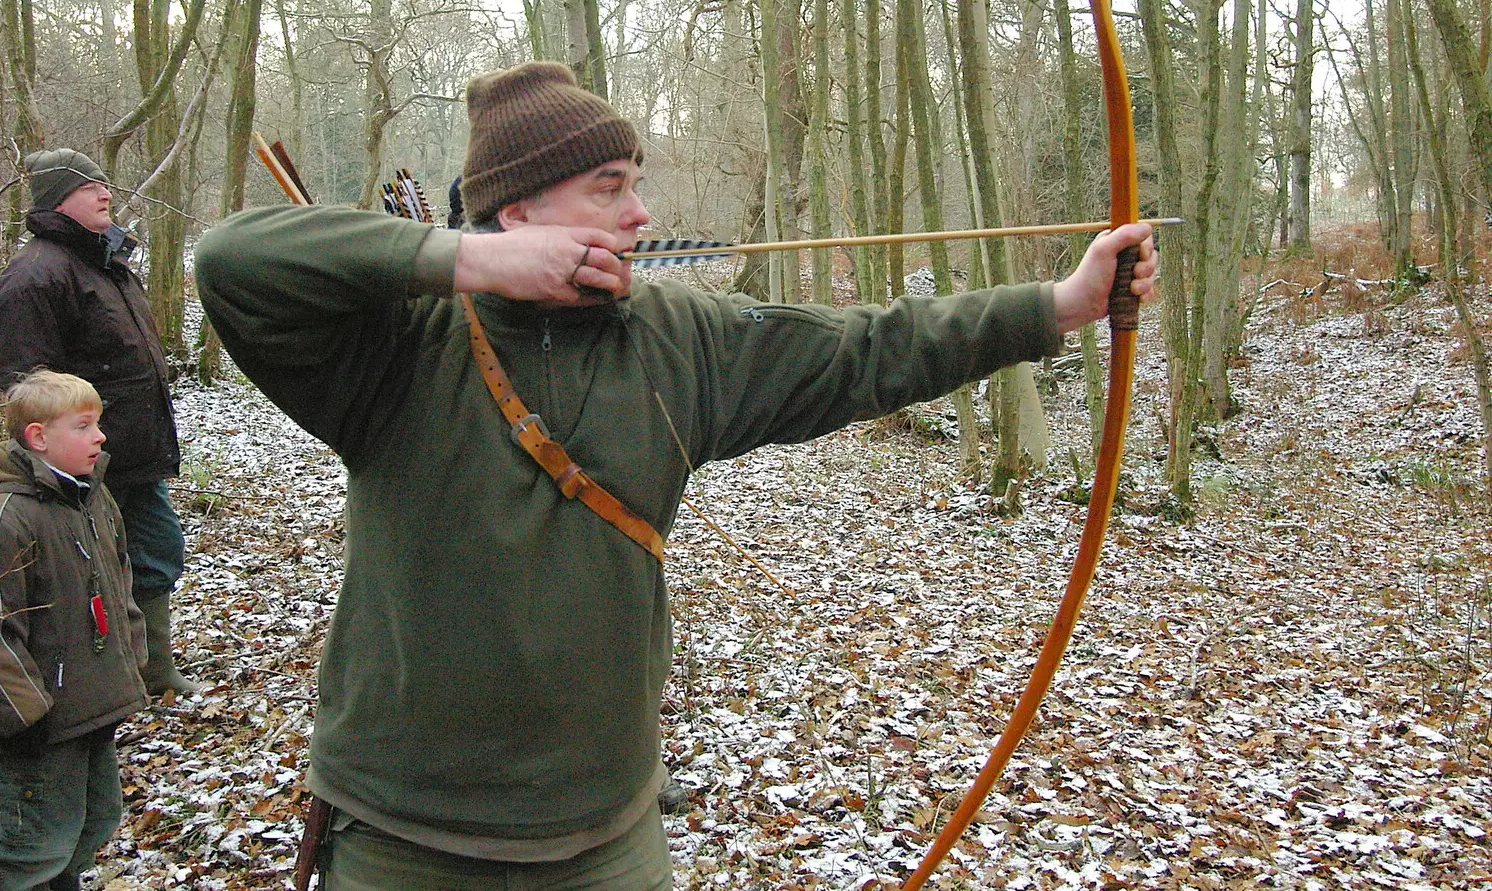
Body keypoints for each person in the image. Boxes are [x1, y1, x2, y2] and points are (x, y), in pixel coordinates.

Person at [194, 61, 1157, 889]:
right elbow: (234, 258)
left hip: (604, 831)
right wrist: (465, 262)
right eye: (608, 186)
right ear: (519, 211)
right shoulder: (397, 345)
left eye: (635, 182)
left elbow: (867, 351)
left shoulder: (676, 337)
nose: (641, 209)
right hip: (404, 828)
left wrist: (1058, 306)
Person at [0, 149, 200, 696]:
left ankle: (153, 670)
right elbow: (26, 387)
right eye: (90, 187)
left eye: (105, 184)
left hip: (131, 454)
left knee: (155, 551)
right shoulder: (34, 275)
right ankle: (103, 682)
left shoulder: (106, 261)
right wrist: (61, 458)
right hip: (81, 465)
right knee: (91, 576)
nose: (105, 192)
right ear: (59, 199)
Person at [0, 369, 148, 891]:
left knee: (91, 824)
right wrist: (25, 714)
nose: (100, 436)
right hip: (40, 727)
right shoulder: (2, 516)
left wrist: (132, 662)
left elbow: (119, 583)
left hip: (91, 708)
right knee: (30, 852)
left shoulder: (92, 499)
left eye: (97, 423)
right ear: (38, 437)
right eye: (83, 426)